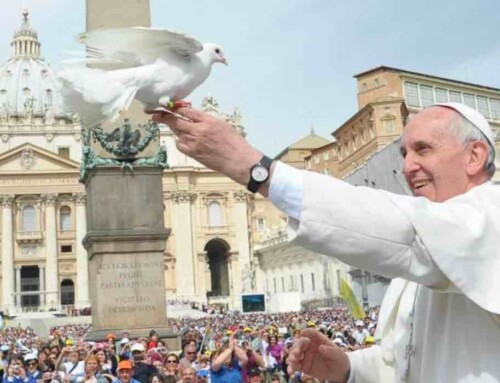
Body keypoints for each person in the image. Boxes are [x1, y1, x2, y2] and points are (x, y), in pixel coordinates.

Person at [153, 101, 500, 382]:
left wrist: (256, 169)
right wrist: (350, 368)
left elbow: (404, 229)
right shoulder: (421, 263)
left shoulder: (491, 215)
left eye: (423, 150)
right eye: (404, 154)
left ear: (474, 156)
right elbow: (403, 363)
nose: (409, 167)